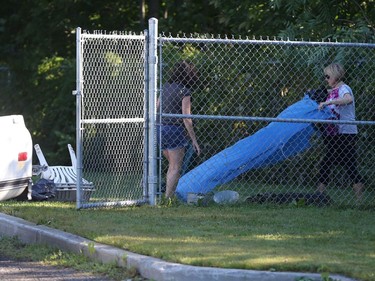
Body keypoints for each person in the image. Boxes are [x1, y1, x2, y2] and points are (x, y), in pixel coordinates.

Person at [317, 63, 363, 201]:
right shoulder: (331, 92)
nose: (326, 79)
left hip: (346, 133)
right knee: (326, 163)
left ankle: (359, 200)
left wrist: (326, 103)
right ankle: (319, 197)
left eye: (328, 76)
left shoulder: (344, 88)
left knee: (350, 165)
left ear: (335, 76)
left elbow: (348, 99)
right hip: (334, 134)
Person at [158, 61, 201, 199]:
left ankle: (169, 195)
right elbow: (186, 117)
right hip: (174, 130)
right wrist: (194, 140)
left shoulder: (165, 87)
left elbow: (157, 106)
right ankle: (168, 199)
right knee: (175, 167)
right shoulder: (185, 91)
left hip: (159, 129)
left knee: (172, 165)